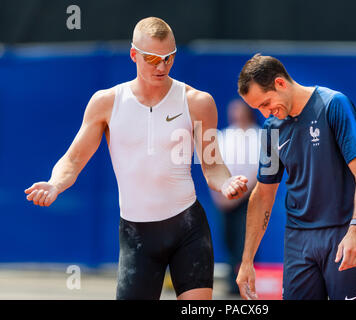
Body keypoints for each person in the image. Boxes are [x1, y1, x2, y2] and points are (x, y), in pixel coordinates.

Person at [24, 17, 248, 300]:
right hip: (136, 235)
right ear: (134, 55)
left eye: (168, 58)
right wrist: (55, 184)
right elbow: (73, 159)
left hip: (188, 228)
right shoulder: (107, 102)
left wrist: (226, 183)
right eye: (152, 58)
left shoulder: (197, 102)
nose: (161, 67)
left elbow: (212, 165)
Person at [235, 54, 356, 300]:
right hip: (298, 239)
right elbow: (263, 193)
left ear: (280, 83)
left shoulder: (334, 104)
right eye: (258, 108)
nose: (266, 112)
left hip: (341, 234)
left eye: (266, 103)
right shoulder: (271, 129)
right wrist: (247, 260)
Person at [209, 99, 260, 295]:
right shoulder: (223, 136)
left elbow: (259, 171)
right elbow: (213, 167)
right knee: (227, 240)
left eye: (239, 110)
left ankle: (247, 284)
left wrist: (240, 194)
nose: (235, 115)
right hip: (223, 198)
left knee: (245, 242)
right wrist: (222, 193)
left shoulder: (259, 136)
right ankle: (232, 284)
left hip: (248, 198)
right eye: (233, 111)